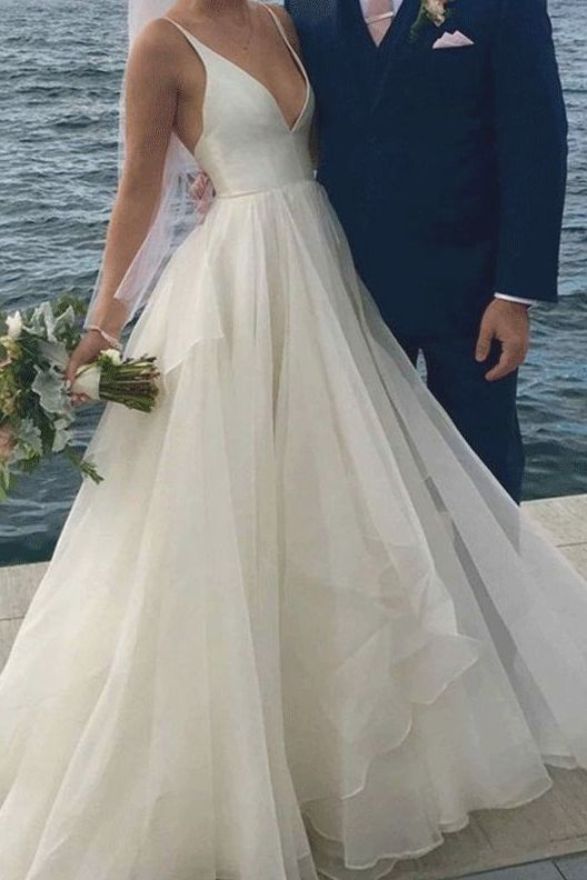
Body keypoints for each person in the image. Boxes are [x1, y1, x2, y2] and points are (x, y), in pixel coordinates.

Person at [1, 2, 586, 879]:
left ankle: (430, 670)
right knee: (239, 500)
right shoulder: (176, 39)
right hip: (241, 284)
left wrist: (514, 285)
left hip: (336, 270)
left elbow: (376, 137)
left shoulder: (283, 16)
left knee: (361, 484)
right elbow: (137, 187)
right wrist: (104, 325)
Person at [286, 0, 568, 503]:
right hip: (347, 281)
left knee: (483, 462)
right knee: (360, 466)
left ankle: (487, 581)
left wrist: (515, 295)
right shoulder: (305, 7)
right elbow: (293, 117)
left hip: (473, 290)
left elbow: (536, 146)